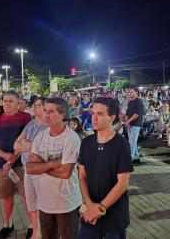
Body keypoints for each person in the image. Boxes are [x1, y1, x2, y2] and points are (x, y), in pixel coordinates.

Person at [26, 97, 81, 239]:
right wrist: (52, 163)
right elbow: (30, 168)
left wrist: (41, 164)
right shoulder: (40, 136)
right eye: (45, 110)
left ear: (62, 115)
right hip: (44, 202)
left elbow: (65, 173)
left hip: (66, 202)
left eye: (50, 112)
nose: (45, 115)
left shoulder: (71, 138)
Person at [78, 97, 133, 238]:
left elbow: (123, 183)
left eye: (100, 114)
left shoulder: (121, 144)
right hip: (89, 213)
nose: (94, 118)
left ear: (112, 117)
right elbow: (82, 176)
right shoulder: (86, 143)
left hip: (114, 215)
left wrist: (99, 208)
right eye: (93, 114)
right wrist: (89, 205)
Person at [0, 91, 32, 239]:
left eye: (10, 101)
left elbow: (26, 142)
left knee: (27, 196)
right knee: (5, 196)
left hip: (21, 164)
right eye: (4, 101)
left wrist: (11, 159)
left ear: (19, 103)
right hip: (1, 165)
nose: (6, 103)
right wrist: (5, 156)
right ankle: (7, 225)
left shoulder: (25, 118)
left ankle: (32, 225)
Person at [13, 97, 48, 239]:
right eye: (34, 105)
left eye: (39, 105)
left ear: (46, 109)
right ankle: (36, 232)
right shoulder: (31, 124)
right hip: (27, 170)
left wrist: (26, 144)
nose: (35, 107)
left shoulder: (48, 125)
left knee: (43, 204)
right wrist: (30, 145)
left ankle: (44, 232)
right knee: (31, 203)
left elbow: (43, 148)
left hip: (42, 171)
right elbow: (16, 144)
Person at [125, 88, 145, 164]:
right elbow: (127, 113)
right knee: (133, 141)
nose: (129, 93)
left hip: (136, 124)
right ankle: (136, 157)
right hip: (129, 124)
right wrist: (127, 121)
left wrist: (129, 121)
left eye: (131, 92)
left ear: (136, 92)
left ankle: (130, 160)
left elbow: (137, 114)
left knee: (132, 142)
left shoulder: (139, 101)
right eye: (129, 92)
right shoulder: (130, 102)